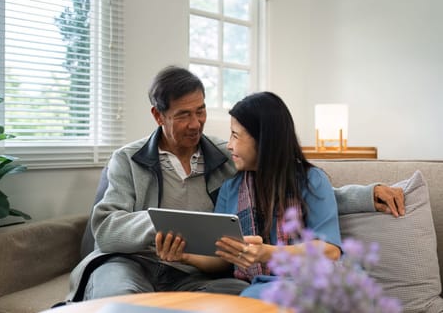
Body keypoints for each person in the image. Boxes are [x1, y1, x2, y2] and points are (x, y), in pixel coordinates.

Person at [66, 67, 404, 302]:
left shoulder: (228, 158)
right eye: (183, 114)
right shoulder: (128, 159)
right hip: (134, 263)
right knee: (120, 299)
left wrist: (364, 193)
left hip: (194, 275)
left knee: (238, 298)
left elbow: (292, 184)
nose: (196, 123)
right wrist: (163, 229)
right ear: (158, 116)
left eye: (200, 111)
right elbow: (106, 227)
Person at [154, 91, 402, 299]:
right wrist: (185, 255)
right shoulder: (230, 189)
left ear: (263, 140)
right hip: (262, 286)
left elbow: (330, 251)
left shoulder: (311, 181)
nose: (229, 145)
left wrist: (268, 253)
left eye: (235, 135)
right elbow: (223, 257)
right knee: (250, 298)